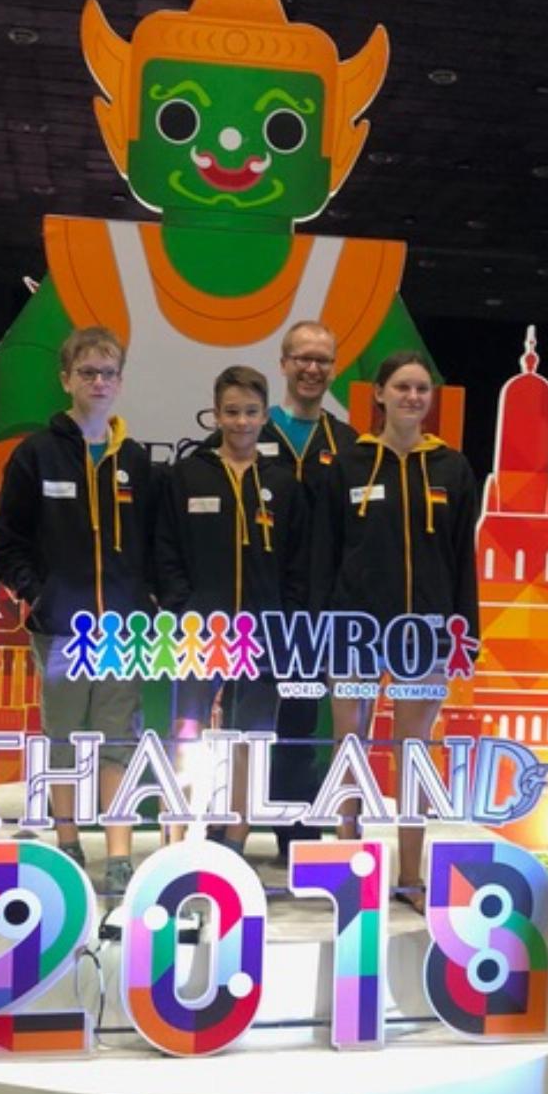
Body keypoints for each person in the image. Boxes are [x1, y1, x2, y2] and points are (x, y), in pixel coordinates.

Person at [310, 349, 479, 910]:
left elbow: (463, 560)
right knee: (350, 749)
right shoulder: (347, 465)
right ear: (379, 394)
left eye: (422, 389)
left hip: (425, 636)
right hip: (353, 633)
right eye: (402, 387)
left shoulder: (453, 469)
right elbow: (324, 554)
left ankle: (410, 876)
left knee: (414, 754)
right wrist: (322, 630)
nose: (412, 397)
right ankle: (348, 873)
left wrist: (463, 634)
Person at [0, 325, 152, 895]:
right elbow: (7, 543)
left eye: (108, 373)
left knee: (118, 737)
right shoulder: (35, 455)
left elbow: (153, 544)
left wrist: (148, 602)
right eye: (87, 373)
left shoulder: (135, 460)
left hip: (123, 632)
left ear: (120, 382)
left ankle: (119, 853)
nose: (98, 382)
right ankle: (67, 840)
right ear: (66, 380)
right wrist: (38, 594)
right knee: (62, 734)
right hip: (60, 629)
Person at [199, 321, 358, 857]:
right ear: (284, 363)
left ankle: (295, 827)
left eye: (323, 359)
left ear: (333, 368)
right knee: (239, 722)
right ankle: (227, 826)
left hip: (319, 611)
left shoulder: (348, 444)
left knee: (299, 722)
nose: (312, 368)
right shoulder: (248, 430)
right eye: (302, 358)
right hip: (254, 610)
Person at [155, 365, 308, 852]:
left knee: (251, 740)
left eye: (251, 412)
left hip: (263, 635)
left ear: (265, 417)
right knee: (186, 732)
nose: (241, 422)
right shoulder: (187, 476)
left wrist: (285, 620)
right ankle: (178, 838)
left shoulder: (284, 484)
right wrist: (184, 609)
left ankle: (235, 841)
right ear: (216, 414)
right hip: (199, 632)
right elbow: (165, 550)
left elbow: (299, 563)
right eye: (232, 412)